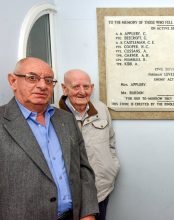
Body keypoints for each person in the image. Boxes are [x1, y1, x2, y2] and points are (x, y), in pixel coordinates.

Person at [0, 57, 98, 220]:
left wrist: (87, 213)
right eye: (32, 78)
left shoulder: (66, 119)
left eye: (48, 80)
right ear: (13, 81)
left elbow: (83, 169)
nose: (42, 85)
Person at [59, 69, 120, 220]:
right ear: (64, 89)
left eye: (86, 87)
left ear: (92, 88)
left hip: (101, 190)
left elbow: (110, 141)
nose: (82, 91)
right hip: (68, 196)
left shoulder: (101, 109)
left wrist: (112, 166)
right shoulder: (52, 113)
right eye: (75, 87)